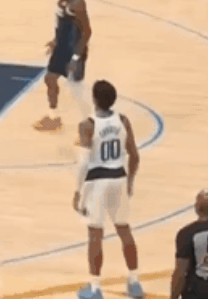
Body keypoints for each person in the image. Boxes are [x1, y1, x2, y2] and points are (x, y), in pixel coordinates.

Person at [73, 80, 143, 299]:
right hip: (119, 178)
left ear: (94, 99)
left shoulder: (87, 125)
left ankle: (95, 288)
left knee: (95, 234)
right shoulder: (123, 120)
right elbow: (135, 155)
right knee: (124, 230)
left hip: (97, 182)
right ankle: (134, 283)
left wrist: (77, 192)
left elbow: (83, 163)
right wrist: (130, 181)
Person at [34, 0, 92, 132]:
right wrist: (55, 40)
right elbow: (64, 24)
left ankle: (86, 124)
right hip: (63, 45)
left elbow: (87, 31)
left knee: (67, 87)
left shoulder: (77, 2)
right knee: (56, 80)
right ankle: (56, 118)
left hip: (71, 49)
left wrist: (76, 57)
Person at [171, 190, 208, 299]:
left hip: (198, 292)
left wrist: (173, 296)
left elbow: (180, 272)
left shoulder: (187, 233)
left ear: (196, 208)